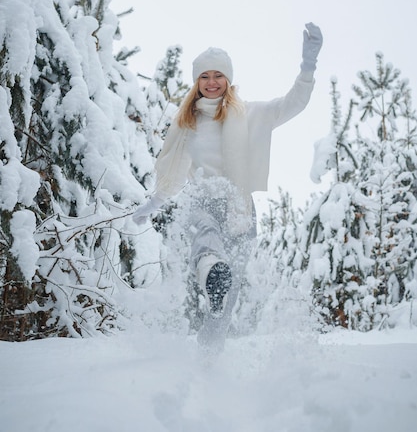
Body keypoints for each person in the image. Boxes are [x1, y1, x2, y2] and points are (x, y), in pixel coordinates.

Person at [132, 22, 323, 352]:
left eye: (218, 75)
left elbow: (293, 103)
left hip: (240, 209)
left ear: (228, 79)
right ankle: (212, 270)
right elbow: (175, 170)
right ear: (196, 82)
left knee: (224, 298)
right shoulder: (187, 123)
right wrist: (154, 202)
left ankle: (209, 356)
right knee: (205, 242)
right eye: (204, 76)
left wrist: (308, 65)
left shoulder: (251, 114)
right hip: (204, 198)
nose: (211, 82)